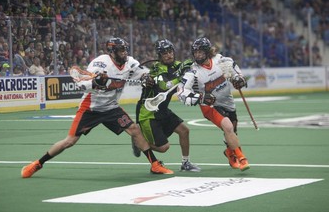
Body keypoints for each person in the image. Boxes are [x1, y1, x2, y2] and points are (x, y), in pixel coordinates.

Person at [21, 37, 173, 178]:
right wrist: (97, 82)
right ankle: (38, 163)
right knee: (69, 142)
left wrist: (146, 78)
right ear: (112, 52)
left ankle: (154, 164)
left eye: (125, 50)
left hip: (111, 107)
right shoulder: (100, 63)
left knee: (134, 129)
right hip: (91, 108)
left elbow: (142, 73)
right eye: (121, 50)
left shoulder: (130, 63)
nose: (125, 53)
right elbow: (83, 85)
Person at [178, 37, 250, 171]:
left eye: (200, 52)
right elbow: (182, 93)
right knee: (228, 126)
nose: (197, 55)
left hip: (227, 101)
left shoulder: (220, 61)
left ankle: (229, 152)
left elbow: (233, 70)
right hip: (209, 105)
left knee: (232, 130)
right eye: (195, 52)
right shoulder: (193, 71)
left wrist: (238, 79)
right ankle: (241, 157)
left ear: (207, 52)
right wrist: (201, 98)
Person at [133, 39, 201, 172]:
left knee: (184, 131)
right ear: (159, 56)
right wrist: (180, 74)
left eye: (170, 52)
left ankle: (185, 163)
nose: (169, 55)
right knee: (164, 148)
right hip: (148, 112)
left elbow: (190, 72)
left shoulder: (177, 65)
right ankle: (138, 141)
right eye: (165, 53)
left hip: (162, 109)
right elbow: (165, 86)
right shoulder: (157, 69)